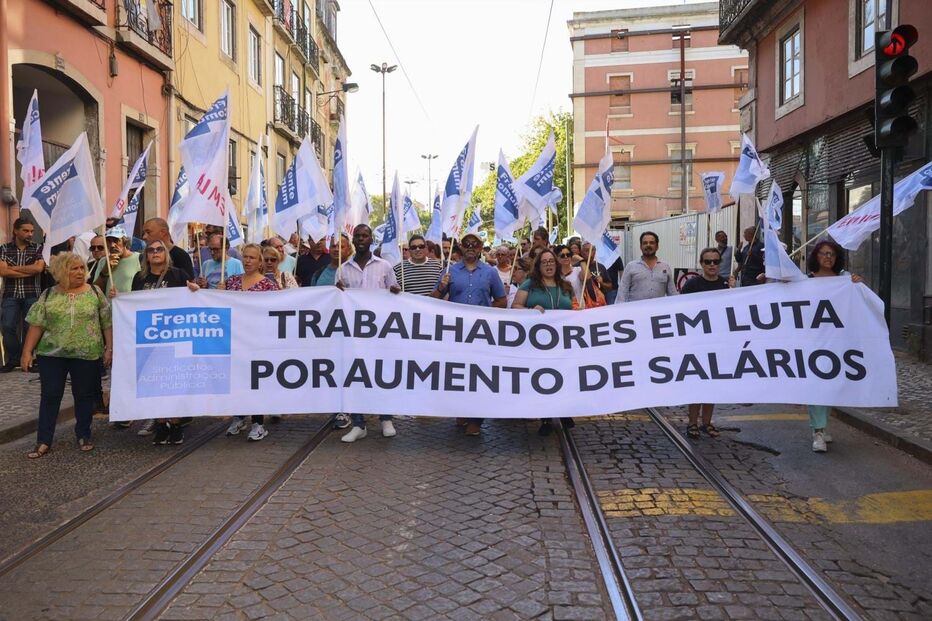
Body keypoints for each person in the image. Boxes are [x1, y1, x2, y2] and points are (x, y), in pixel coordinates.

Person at [21, 253, 112, 458]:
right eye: (74, 268)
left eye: (81, 268)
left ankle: (83, 434)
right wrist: (27, 352)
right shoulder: (49, 294)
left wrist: (109, 349)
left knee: (84, 395)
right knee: (50, 395)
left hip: (86, 353)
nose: (80, 272)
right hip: (51, 354)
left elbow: (106, 323)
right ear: (62, 272)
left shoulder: (95, 292)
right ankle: (43, 440)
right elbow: (37, 324)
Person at [433, 232, 506, 437]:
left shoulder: (490, 273)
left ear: (481, 247)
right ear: (461, 248)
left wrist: (484, 314)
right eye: (467, 244)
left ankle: (476, 419)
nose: (471, 247)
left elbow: (502, 301)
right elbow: (433, 301)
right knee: (458, 375)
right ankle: (461, 410)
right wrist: (441, 286)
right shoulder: (450, 271)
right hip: (456, 334)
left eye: (475, 244)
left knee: (479, 376)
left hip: (482, 334)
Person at [337, 225, 401, 442]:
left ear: (371, 239)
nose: (361, 239)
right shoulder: (343, 269)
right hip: (353, 333)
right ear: (353, 240)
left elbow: (396, 294)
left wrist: (394, 292)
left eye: (365, 235)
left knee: (381, 374)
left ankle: (386, 419)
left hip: (380, 332)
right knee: (355, 376)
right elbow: (337, 302)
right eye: (358, 236)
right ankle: (358, 423)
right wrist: (336, 292)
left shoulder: (384, 266)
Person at [132, 239, 199, 443]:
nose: (155, 253)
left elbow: (192, 300)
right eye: (150, 250)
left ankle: (176, 424)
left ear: (166, 253)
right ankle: (161, 424)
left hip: (175, 338)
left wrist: (196, 290)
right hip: (149, 339)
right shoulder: (139, 278)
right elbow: (132, 304)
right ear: (146, 255)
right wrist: (118, 298)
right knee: (154, 383)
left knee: (173, 382)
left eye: (159, 249)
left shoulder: (178, 274)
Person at [512, 249, 578, 436]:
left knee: (564, 376)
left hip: (563, 342)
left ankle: (564, 411)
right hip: (537, 342)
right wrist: (530, 310)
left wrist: (578, 311)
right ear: (538, 266)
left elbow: (572, 306)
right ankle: (546, 418)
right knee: (544, 379)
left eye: (551, 261)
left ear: (556, 265)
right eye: (544, 262)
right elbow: (515, 306)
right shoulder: (529, 285)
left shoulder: (565, 286)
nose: (549, 265)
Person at [805, 240, 862, 453]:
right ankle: (817, 431)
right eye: (823, 254)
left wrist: (858, 284)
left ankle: (822, 425)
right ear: (815, 257)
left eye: (831, 254)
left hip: (838, 340)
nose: (827, 257)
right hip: (813, 340)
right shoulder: (806, 280)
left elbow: (861, 301)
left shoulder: (845, 279)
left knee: (830, 384)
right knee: (817, 384)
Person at [222, 244, 279, 442]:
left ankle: (258, 422)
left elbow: (275, 312)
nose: (247, 261)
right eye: (245, 257)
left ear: (260, 261)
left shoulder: (268, 286)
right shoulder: (231, 283)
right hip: (235, 340)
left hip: (257, 341)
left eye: (252, 258)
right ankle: (239, 417)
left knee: (255, 381)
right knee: (237, 379)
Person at [680, 247, 736, 439]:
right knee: (697, 383)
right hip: (697, 342)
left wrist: (733, 291)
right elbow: (682, 312)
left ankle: (707, 422)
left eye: (715, 261)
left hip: (719, 342)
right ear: (701, 264)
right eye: (708, 262)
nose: (712, 265)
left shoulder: (726, 285)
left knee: (713, 384)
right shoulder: (692, 285)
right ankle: (692, 423)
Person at [0, 218, 45, 372]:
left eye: (31, 231)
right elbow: (3, 271)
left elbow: (38, 269)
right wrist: (28, 270)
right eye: (26, 231)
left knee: (30, 328)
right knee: (7, 326)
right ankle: (14, 359)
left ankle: (28, 359)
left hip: (32, 293)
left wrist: (14, 269)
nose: (30, 234)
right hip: (10, 294)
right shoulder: (4, 249)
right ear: (16, 231)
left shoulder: (38, 248)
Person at [614, 231, 677, 303]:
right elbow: (622, 293)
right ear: (640, 246)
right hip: (636, 312)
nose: (648, 245)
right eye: (645, 243)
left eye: (652, 243)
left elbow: (673, 294)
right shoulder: (631, 267)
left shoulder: (665, 267)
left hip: (658, 312)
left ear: (657, 246)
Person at [91, 226, 141, 296]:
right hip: (110, 305)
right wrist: (105, 271)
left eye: (116, 240)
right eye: (109, 241)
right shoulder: (103, 261)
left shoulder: (139, 258)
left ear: (125, 242)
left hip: (130, 305)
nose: (112, 245)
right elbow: (96, 290)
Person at [579, 241, 611, 308]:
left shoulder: (600, 267)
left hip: (600, 305)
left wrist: (602, 283)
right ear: (581, 252)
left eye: (592, 250)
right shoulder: (577, 267)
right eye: (587, 250)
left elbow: (610, 287)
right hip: (583, 305)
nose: (590, 253)